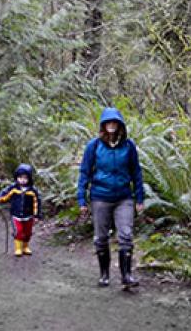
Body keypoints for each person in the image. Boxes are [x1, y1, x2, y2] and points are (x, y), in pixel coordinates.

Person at [77, 107, 145, 289]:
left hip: (124, 197)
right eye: (108, 122)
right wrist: (81, 199)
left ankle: (126, 275)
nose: (112, 125)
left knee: (126, 235)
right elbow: (84, 172)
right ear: (103, 125)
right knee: (101, 237)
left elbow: (136, 172)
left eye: (115, 122)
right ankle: (104, 275)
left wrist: (140, 197)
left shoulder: (129, 146)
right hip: (100, 197)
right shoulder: (94, 146)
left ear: (120, 124)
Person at [0, 163, 42, 257]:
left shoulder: (33, 191)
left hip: (28, 215)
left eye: (25, 178)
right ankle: (18, 248)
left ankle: (25, 247)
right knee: (19, 231)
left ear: (29, 178)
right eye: (20, 177)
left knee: (28, 232)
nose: (22, 180)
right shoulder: (13, 188)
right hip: (16, 215)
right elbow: (4, 195)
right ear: (17, 177)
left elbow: (36, 203)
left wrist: (36, 215)